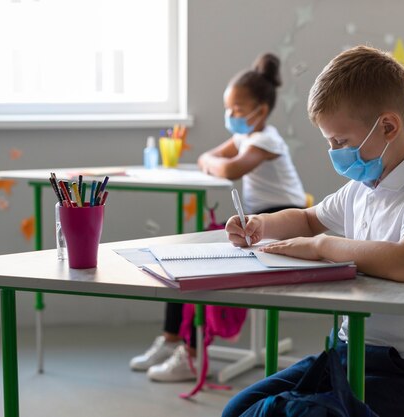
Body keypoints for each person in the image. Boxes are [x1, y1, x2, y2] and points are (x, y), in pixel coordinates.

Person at [222, 45, 404, 417]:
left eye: (341, 142)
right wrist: (260, 225)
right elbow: (306, 219)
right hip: (349, 352)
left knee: (278, 413)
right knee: (240, 409)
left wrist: (322, 246)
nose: (335, 152)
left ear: (388, 126)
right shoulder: (362, 189)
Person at [129, 52, 306, 382]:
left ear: (261, 111)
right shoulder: (245, 136)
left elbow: (229, 168)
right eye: (229, 110)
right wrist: (215, 163)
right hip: (255, 217)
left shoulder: (266, 139)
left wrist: (215, 163)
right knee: (184, 258)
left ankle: (192, 354)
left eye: (237, 111)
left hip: (279, 219)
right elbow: (207, 158)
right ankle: (172, 339)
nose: (230, 117)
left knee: (203, 266)